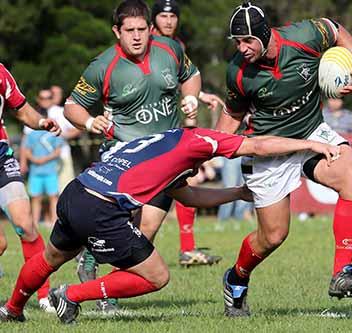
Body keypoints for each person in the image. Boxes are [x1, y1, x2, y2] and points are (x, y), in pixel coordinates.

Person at [0, 127, 340, 324]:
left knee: (51, 256)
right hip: (102, 207)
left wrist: (237, 192)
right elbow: (257, 145)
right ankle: (71, 295)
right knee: (156, 276)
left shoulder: (164, 146)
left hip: (77, 192)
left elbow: (189, 197)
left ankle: (12, 309)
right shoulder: (199, 141)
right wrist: (310, 144)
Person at [216, 2, 352, 317]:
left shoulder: (304, 35)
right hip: (269, 149)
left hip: (313, 133)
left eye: (247, 40)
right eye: (237, 42)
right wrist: (207, 150)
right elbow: (232, 116)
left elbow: (337, 30)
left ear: (263, 33)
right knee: (273, 236)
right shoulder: (239, 71)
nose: (241, 48)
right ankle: (236, 278)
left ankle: (342, 273)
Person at [62, 0, 201, 312]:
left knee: (145, 234)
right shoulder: (103, 66)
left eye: (142, 30)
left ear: (150, 29)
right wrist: (88, 121)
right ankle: (99, 285)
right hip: (126, 159)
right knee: (130, 232)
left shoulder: (169, 49)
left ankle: (97, 274)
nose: (137, 36)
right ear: (117, 31)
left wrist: (191, 96)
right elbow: (72, 105)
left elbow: (191, 74)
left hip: (167, 159)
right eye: (130, 31)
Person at [151, 0, 226, 266]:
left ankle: (188, 249)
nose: (169, 21)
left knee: (186, 181)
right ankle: (91, 249)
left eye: (173, 16)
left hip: (170, 125)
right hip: (145, 127)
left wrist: (200, 95)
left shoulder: (177, 46)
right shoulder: (143, 42)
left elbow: (180, 80)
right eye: (163, 15)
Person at [0, 63, 61, 312]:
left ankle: (43, 296)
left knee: (26, 224)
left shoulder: (1, 72)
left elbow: (23, 111)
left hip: (2, 160)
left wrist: (42, 122)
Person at [24, 128, 64, 226]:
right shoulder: (31, 134)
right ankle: (35, 222)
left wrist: (44, 159)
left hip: (51, 171)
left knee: (53, 197)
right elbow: (27, 151)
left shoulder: (53, 133)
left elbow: (58, 151)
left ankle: (54, 221)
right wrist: (35, 159)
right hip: (35, 172)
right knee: (35, 197)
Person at [49, 85, 81, 192]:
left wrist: (61, 136)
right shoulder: (40, 112)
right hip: (43, 157)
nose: (57, 96)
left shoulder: (62, 111)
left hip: (62, 154)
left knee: (65, 187)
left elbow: (77, 129)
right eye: (54, 94)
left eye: (59, 94)